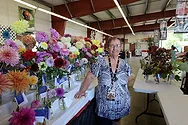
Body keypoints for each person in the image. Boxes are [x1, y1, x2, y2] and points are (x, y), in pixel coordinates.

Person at [74, 37, 133, 125]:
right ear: (107, 48)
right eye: (112, 46)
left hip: (121, 104)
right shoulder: (99, 62)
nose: (115, 48)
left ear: (120, 48)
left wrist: (120, 84)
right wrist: (82, 91)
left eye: (117, 46)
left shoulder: (125, 64)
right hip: (104, 105)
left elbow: (131, 76)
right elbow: (90, 76)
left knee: (116, 122)